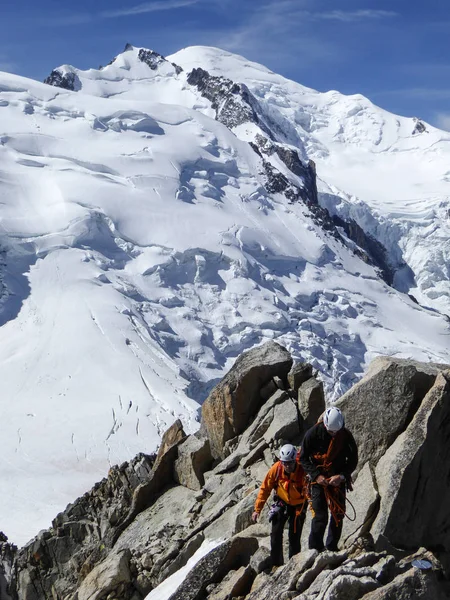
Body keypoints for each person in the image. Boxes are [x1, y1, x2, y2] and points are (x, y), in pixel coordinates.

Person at [300, 406, 358, 552]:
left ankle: (332, 547)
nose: (334, 435)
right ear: (325, 425)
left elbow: (353, 460)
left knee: (338, 514)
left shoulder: (345, 436)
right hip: (318, 480)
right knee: (320, 516)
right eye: (331, 432)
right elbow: (303, 458)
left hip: (337, 479)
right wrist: (316, 475)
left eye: (336, 432)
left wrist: (342, 476)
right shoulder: (312, 434)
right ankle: (315, 549)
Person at [252, 444, 308, 566]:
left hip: (299, 505)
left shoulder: (303, 472)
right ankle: (276, 564)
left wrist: (314, 512)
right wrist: (257, 509)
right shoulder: (276, 469)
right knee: (275, 534)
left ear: (295, 461)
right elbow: (265, 488)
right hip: (282, 502)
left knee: (294, 536)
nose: (287, 466)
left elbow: (311, 493)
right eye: (284, 463)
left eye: (290, 463)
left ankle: (294, 564)